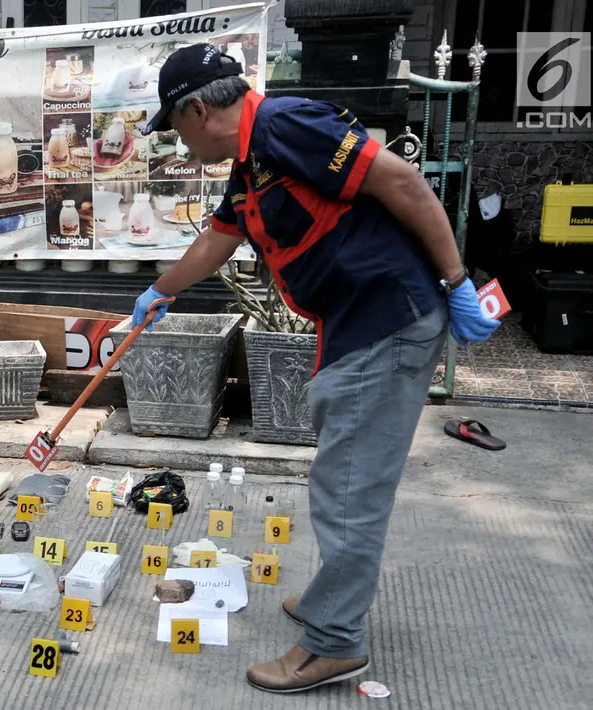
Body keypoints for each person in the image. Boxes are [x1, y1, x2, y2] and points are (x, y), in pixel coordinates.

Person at [136, 44, 500, 694]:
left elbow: (402, 182)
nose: (176, 140)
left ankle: (333, 644)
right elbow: (217, 239)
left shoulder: (283, 126)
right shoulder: (248, 164)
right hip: (355, 324)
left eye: (172, 125)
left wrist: (456, 281)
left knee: (350, 488)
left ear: (195, 110)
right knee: (341, 472)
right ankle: (330, 602)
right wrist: (159, 291)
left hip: (386, 316)